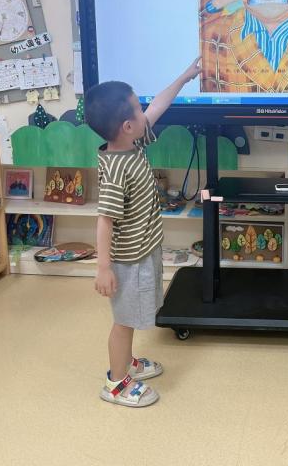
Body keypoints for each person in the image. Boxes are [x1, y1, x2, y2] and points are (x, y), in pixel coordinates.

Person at [84, 57, 201, 408]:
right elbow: (105, 220)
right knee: (124, 321)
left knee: (132, 316)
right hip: (128, 261)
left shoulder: (132, 144)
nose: (144, 111)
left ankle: (129, 362)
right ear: (126, 126)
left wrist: (183, 77)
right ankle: (116, 382)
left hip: (144, 250)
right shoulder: (116, 169)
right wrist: (103, 268)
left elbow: (158, 106)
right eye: (138, 108)